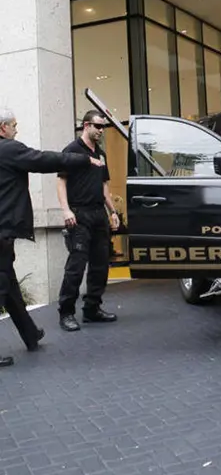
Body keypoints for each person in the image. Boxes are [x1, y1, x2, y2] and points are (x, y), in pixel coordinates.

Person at [0, 108, 103, 365]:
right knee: (2, 285)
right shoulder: (7, 149)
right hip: (1, 231)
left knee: (9, 287)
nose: (16, 129)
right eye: (14, 125)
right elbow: (42, 159)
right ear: (2, 128)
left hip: (3, 232)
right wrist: (82, 160)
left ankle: (30, 334)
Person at [56, 110, 120, 332]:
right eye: (98, 126)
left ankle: (92, 309)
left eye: (103, 127)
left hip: (98, 215)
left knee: (100, 266)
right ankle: (66, 313)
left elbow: (104, 187)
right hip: (79, 214)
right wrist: (65, 210)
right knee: (76, 267)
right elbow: (61, 182)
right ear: (86, 126)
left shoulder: (100, 154)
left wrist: (113, 212)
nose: (101, 131)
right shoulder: (72, 151)